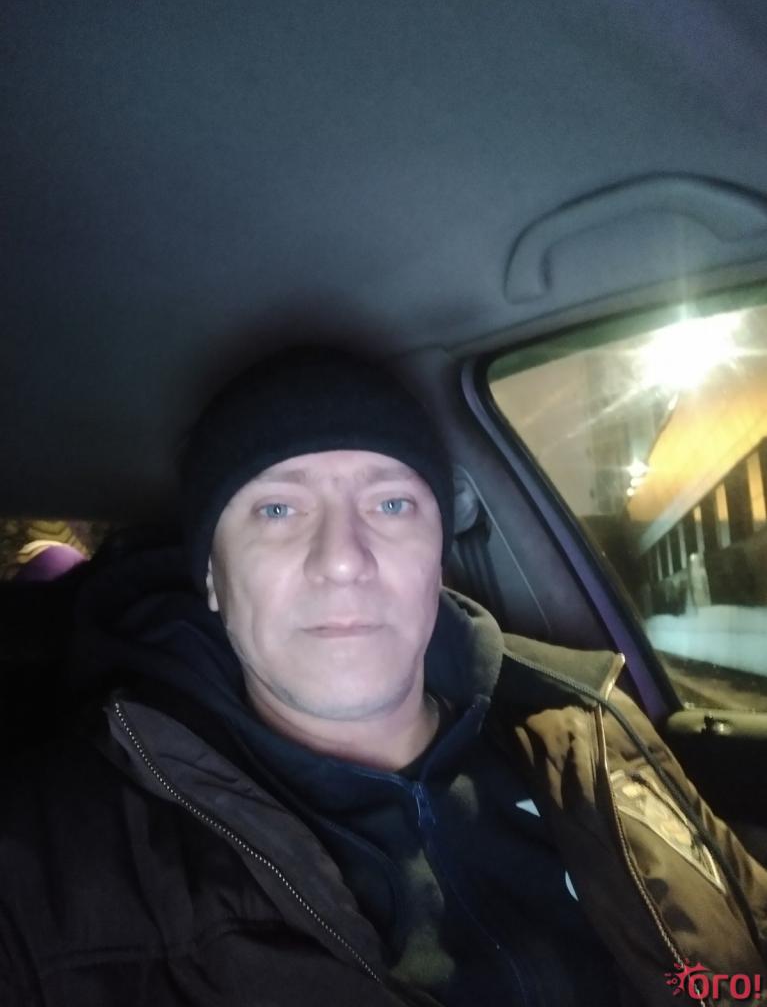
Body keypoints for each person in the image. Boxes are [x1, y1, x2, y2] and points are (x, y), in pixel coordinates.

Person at [0, 344, 764, 1007]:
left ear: (437, 557)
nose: (341, 559)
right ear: (212, 577)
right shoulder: (60, 865)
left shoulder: (587, 729)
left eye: (391, 504)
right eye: (277, 510)